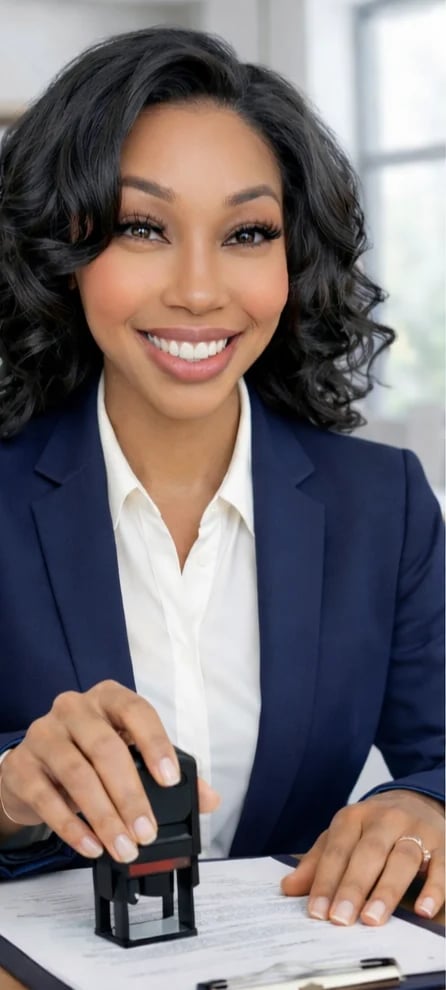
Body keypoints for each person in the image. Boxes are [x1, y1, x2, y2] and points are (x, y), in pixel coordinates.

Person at [0, 26, 443, 931]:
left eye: (247, 232)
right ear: (64, 251)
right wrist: (5, 792)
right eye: (141, 227)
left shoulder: (382, 503)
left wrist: (425, 809)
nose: (201, 291)